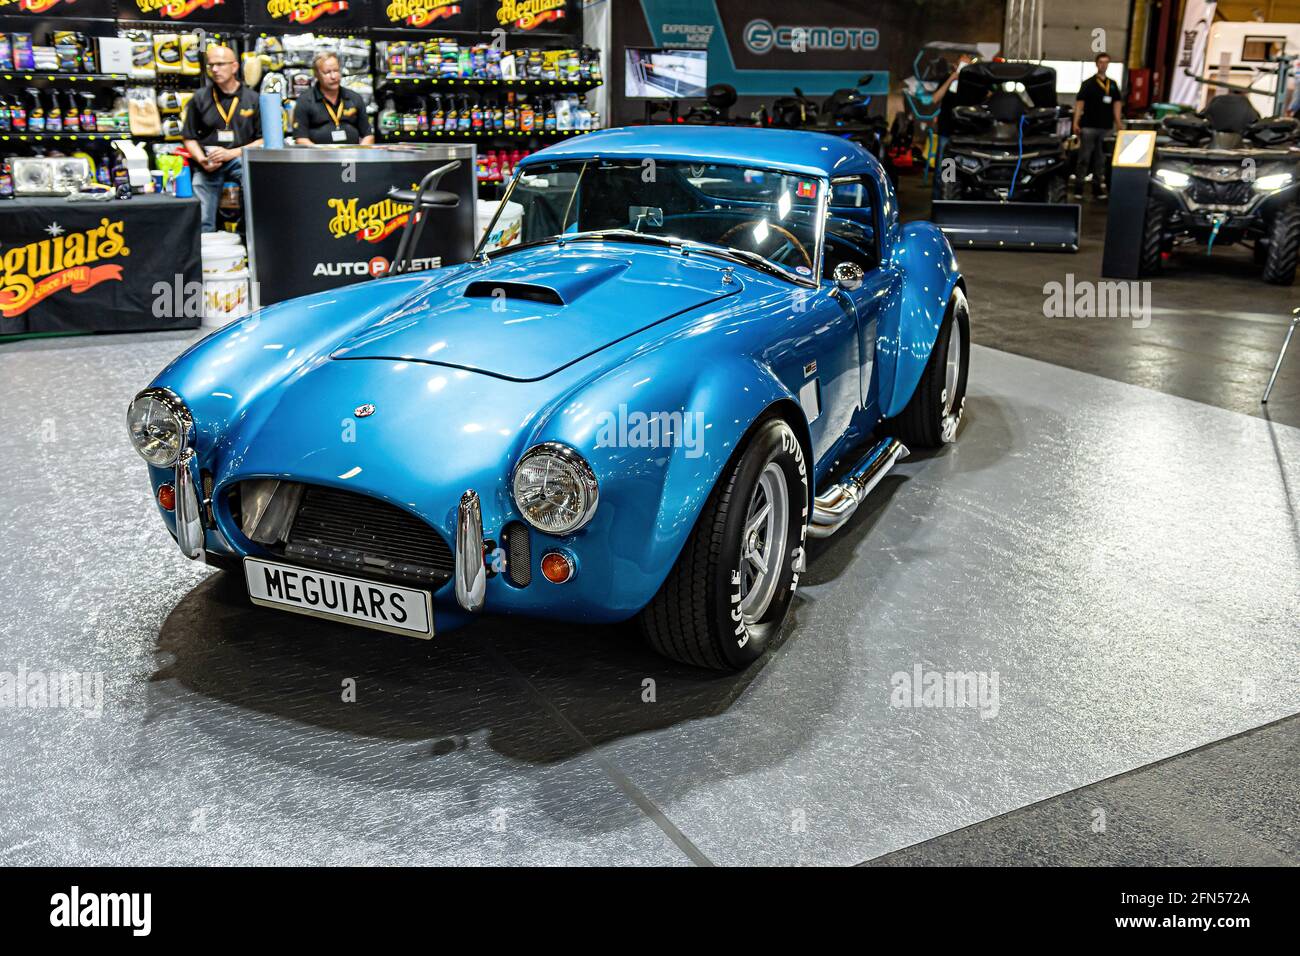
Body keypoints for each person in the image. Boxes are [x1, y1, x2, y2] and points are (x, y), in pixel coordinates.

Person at [182, 44, 262, 233]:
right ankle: (206, 249)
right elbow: (189, 137)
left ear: (234, 67)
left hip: (241, 158)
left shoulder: (253, 99)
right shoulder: (200, 98)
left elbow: (263, 140)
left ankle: (250, 238)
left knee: (257, 190)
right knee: (201, 203)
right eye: (211, 66)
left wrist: (231, 154)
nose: (215, 70)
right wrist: (201, 159)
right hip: (210, 162)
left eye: (220, 64)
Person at [293, 52, 373, 146]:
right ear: (316, 75)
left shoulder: (354, 98)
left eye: (336, 71)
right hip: (318, 157)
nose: (333, 77)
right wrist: (318, 155)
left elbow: (368, 136)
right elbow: (301, 139)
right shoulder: (305, 100)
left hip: (351, 157)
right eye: (327, 72)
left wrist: (360, 154)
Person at [1073, 52, 1124, 199]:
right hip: (1088, 126)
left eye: (1106, 62)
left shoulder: (1113, 85)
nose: (1104, 65)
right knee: (1084, 157)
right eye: (1101, 62)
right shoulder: (1088, 83)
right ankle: (1079, 187)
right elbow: (1079, 103)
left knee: (1101, 159)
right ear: (1096, 64)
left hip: (1106, 127)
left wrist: (1118, 122)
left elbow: (1117, 104)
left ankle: (1097, 188)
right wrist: (1076, 122)